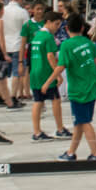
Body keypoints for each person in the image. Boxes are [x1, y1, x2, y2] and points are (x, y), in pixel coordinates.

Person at [47, 13, 96, 162]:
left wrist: (48, 82)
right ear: (81, 27)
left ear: (66, 28)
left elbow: (61, 66)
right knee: (79, 122)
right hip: (92, 87)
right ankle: (71, 152)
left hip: (78, 90)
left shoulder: (66, 45)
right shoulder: (90, 43)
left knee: (84, 122)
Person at [25, 8, 70, 141]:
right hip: (46, 73)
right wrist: (58, 74)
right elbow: (50, 56)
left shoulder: (37, 36)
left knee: (38, 101)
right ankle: (60, 129)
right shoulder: (49, 37)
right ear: (48, 22)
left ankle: (37, 131)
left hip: (34, 72)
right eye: (56, 24)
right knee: (56, 100)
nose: (57, 28)